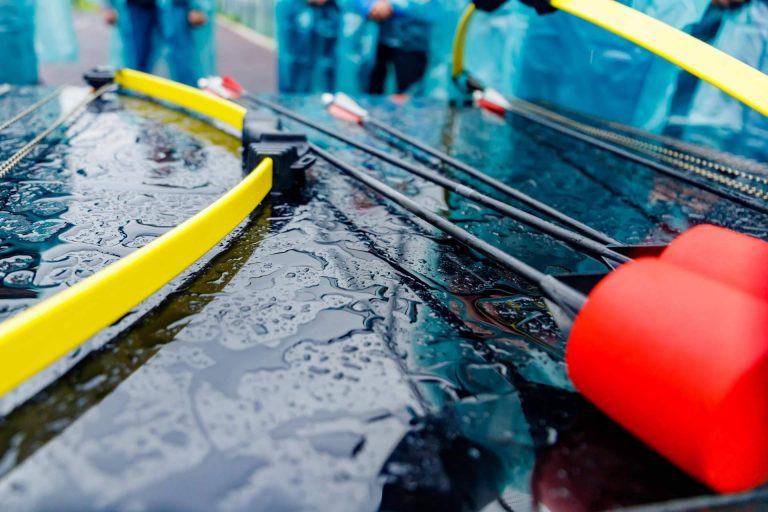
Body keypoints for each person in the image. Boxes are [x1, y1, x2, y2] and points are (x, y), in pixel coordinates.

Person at [104, 0, 216, 86]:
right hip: (137, 6)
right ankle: (129, 98)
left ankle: (195, 100)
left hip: (176, 7)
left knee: (187, 61)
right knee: (133, 61)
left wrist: (199, 5)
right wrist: (109, 5)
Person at [357, 0, 434, 94]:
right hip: (373, 32)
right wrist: (369, 5)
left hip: (412, 34)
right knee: (370, 89)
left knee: (409, 91)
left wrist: (393, 5)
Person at [275, 0, 341, 93]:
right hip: (293, 5)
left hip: (328, 7)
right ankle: (290, 101)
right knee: (292, 64)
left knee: (325, 65)